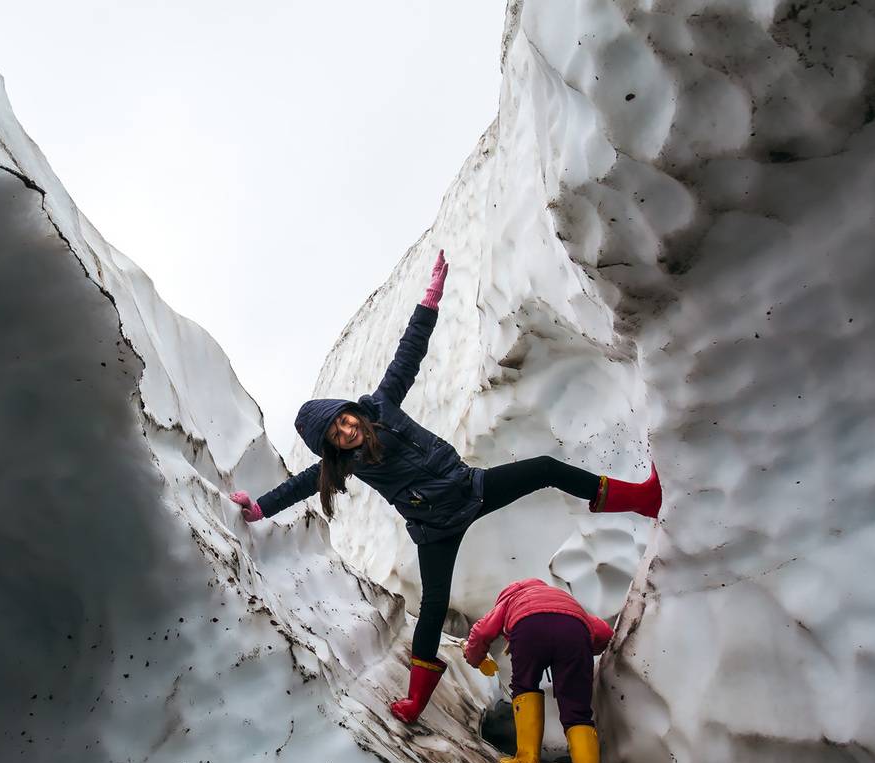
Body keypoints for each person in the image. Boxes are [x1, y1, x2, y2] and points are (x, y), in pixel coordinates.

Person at [228, 250, 659, 727]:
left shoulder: (381, 406)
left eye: (343, 421)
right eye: (335, 435)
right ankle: (415, 701)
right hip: (435, 527)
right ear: (331, 446)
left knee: (543, 467)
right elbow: (299, 486)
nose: (346, 431)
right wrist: (260, 509)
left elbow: (407, 356)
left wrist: (430, 299)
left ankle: (640, 499)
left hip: (470, 489)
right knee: (432, 609)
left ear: (348, 411)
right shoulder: (345, 465)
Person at [463, 579, 613, 763]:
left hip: (528, 627)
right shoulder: (566, 601)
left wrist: (473, 656)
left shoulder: (511, 599)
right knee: (578, 715)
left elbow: (483, 631)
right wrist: (587, 651)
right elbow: (603, 633)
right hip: (575, 632)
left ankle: (527, 757)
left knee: (525, 686)